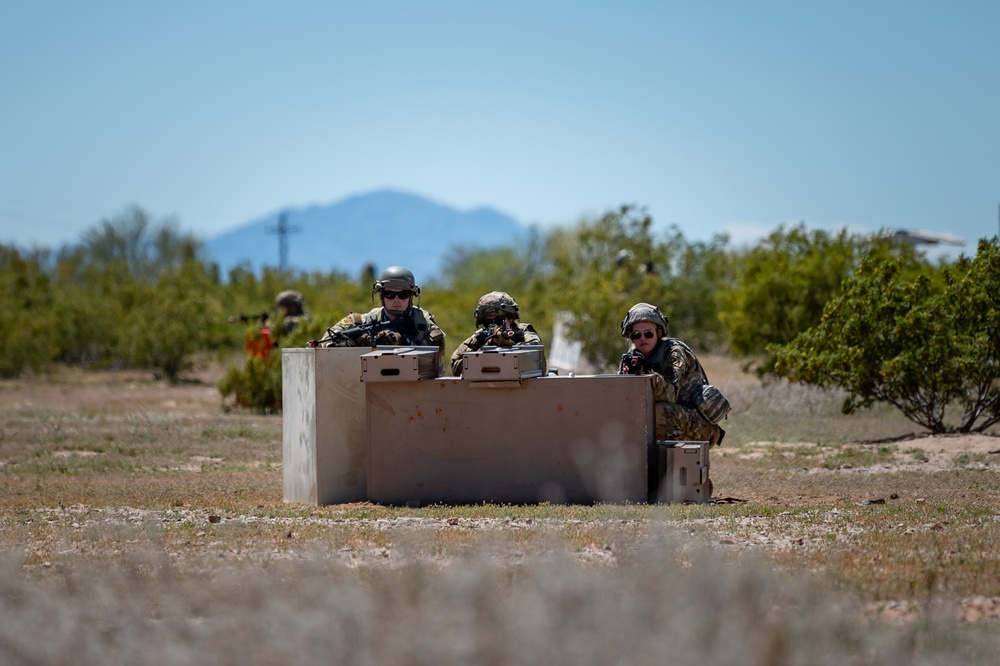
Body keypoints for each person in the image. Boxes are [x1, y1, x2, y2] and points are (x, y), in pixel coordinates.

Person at [618, 302, 729, 447]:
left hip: (696, 424)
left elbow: (671, 394)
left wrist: (648, 376)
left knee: (658, 412)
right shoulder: (630, 359)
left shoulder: (674, 352)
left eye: (648, 333)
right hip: (667, 420)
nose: (642, 338)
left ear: (658, 332)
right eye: (636, 335)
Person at [318, 265, 446, 358]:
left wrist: (401, 342)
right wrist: (355, 343)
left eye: (403, 295)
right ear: (381, 296)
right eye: (390, 295)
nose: (396, 300)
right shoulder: (362, 321)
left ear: (411, 297)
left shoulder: (423, 321)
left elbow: (436, 354)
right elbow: (327, 342)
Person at [450, 291, 544, 376]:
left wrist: (508, 345)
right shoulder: (480, 336)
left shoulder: (523, 333)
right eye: (488, 322)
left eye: (498, 321)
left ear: (510, 318)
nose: (494, 326)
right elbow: (456, 367)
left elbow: (535, 360)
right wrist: (483, 351)